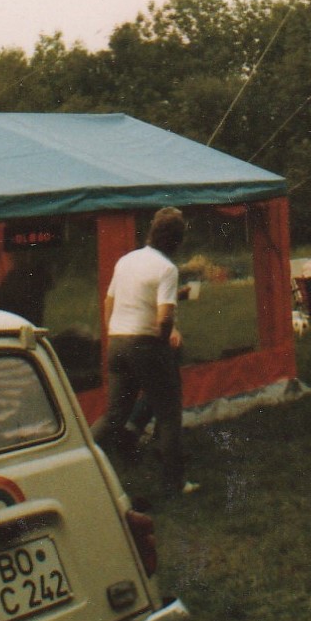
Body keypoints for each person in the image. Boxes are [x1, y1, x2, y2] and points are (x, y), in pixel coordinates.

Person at [90, 207, 199, 498]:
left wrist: (114, 331)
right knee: (168, 413)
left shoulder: (126, 260)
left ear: (151, 232)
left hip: (117, 341)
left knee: (114, 415)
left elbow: (109, 302)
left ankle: (82, 462)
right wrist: (162, 345)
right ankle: (174, 483)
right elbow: (164, 318)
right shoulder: (167, 269)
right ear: (176, 241)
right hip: (146, 344)